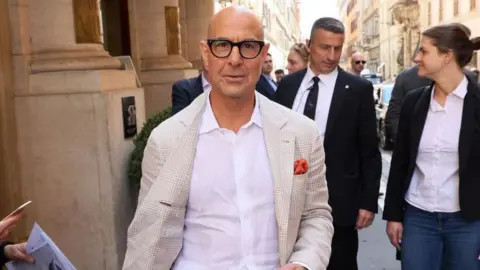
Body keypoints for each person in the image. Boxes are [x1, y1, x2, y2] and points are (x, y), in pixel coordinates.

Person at [123, 6, 334, 270]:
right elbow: (147, 239)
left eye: (247, 46)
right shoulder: (166, 140)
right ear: (205, 54)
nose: (235, 59)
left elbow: (316, 214)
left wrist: (304, 263)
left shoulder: (301, 133)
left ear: (263, 54)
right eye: (222, 45)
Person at [275, 17, 381, 270]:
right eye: (325, 47)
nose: (332, 55)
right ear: (309, 45)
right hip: (286, 201)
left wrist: (368, 202)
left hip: (339, 204)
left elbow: (369, 150)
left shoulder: (358, 89)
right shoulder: (288, 86)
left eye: (337, 48)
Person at [383, 23, 480, 270]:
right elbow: (401, 161)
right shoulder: (414, 102)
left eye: (424, 51)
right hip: (418, 218)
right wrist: (394, 215)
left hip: (467, 221)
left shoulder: (477, 103)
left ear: (447, 56)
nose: (417, 57)